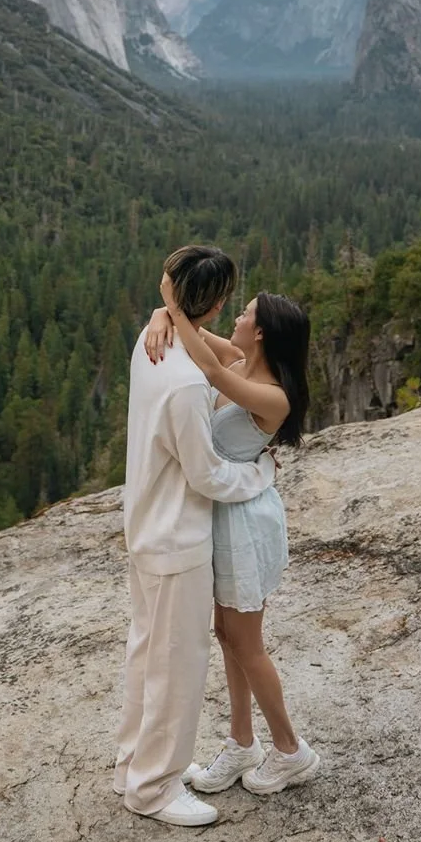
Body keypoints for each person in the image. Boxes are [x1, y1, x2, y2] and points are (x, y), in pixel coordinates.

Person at [114, 245, 278, 828]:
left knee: (145, 652)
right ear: (215, 303)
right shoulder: (186, 381)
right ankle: (154, 789)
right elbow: (206, 474)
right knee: (177, 665)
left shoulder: (151, 342)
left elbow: (217, 359)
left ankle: (133, 763)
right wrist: (259, 473)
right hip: (178, 538)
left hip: (144, 525)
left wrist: (164, 313)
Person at [144, 278, 321, 797]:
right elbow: (194, 333)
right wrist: (163, 315)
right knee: (227, 635)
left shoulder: (271, 395)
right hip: (225, 514)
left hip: (244, 524)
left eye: (244, 315)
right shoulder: (248, 365)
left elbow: (209, 364)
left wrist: (173, 304)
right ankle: (242, 742)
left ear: (261, 332)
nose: (236, 321)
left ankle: (291, 750)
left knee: (247, 642)